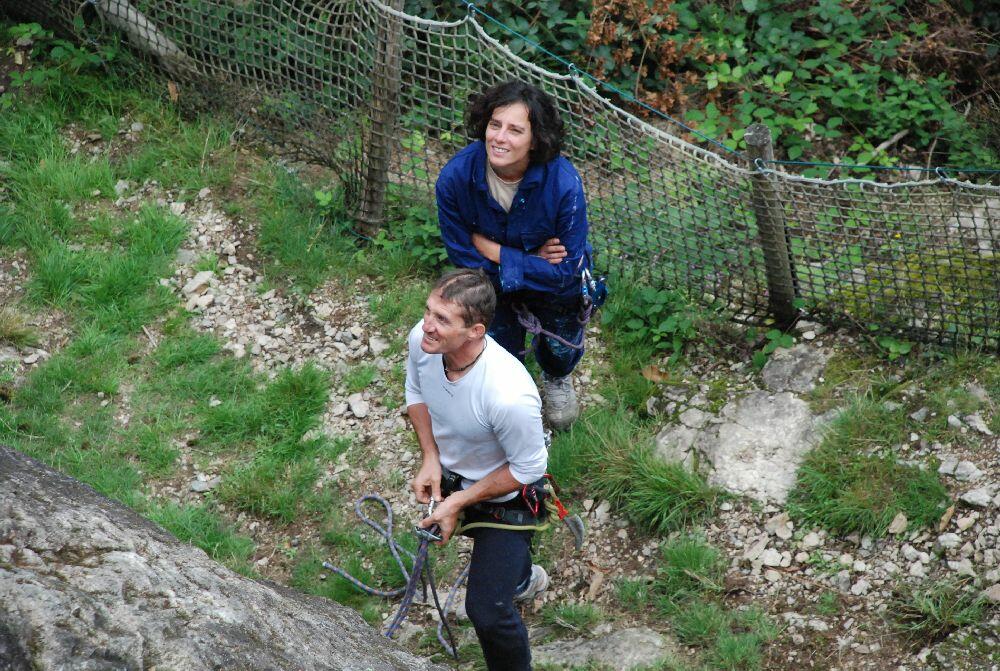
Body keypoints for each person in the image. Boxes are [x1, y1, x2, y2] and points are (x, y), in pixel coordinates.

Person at [406, 268, 550, 671]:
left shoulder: (507, 394)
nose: (427, 325)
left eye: (442, 319)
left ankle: (521, 582)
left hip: (509, 495)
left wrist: (457, 503)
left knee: (487, 611)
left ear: (475, 331)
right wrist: (430, 457)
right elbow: (416, 390)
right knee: (502, 580)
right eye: (428, 311)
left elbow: (529, 467)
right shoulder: (424, 342)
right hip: (454, 472)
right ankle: (522, 577)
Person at [435, 79, 594, 430]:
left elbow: (565, 271)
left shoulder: (563, 183)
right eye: (495, 125)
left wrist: (496, 251)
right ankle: (507, 388)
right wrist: (531, 259)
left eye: (515, 130)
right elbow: (465, 260)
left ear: (535, 140)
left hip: (555, 289)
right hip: (490, 283)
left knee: (562, 332)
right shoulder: (455, 178)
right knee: (497, 352)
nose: (500, 138)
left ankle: (556, 375)